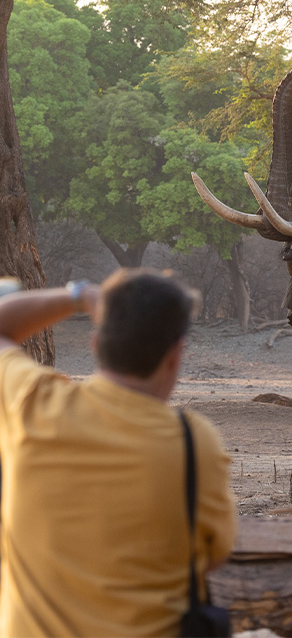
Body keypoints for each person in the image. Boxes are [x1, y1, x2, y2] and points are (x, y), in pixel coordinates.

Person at [0, 269, 236, 638]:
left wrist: (79, 296)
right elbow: (216, 555)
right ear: (175, 356)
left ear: (95, 343)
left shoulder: (35, 405)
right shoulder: (195, 442)